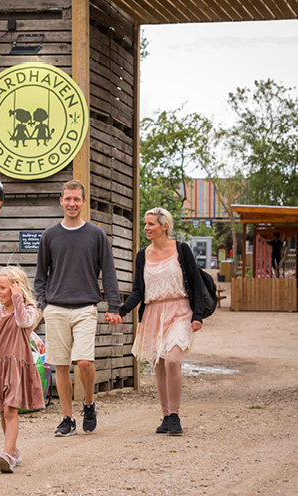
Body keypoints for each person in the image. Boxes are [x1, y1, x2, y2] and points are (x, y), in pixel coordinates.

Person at [34, 179, 122, 437]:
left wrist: (114, 306)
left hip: (86, 307)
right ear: (61, 201)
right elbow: (40, 275)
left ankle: (89, 404)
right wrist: (44, 304)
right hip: (56, 308)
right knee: (61, 366)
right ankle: (67, 418)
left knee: (84, 362)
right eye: (67, 199)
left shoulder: (96, 234)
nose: (72, 203)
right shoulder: (50, 235)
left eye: (76, 199)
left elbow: (109, 273)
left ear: (84, 202)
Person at [118, 207, 204, 435]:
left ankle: (175, 415)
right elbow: (138, 291)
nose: (146, 228)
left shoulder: (181, 250)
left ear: (164, 226)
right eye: (145, 224)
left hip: (180, 310)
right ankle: (166, 416)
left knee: (173, 360)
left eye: (151, 224)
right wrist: (122, 310)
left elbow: (196, 283)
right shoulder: (142, 255)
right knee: (159, 366)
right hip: (153, 313)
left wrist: (198, 315)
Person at [0, 266, 45, 473]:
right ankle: (13, 451)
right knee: (4, 411)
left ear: (17, 288)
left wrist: (17, 299)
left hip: (17, 365)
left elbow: (25, 322)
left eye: (3, 288)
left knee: (10, 409)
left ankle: (6, 454)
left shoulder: (29, 309)